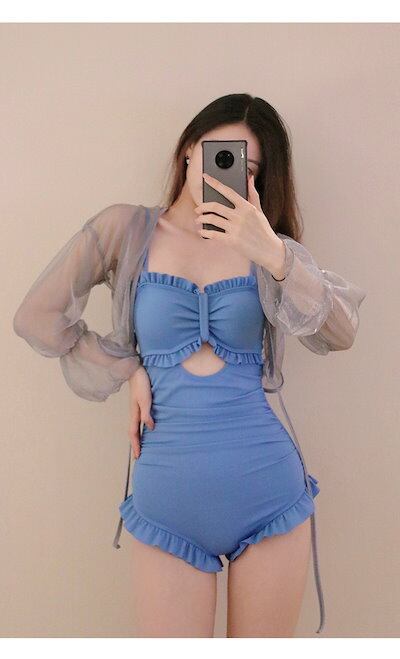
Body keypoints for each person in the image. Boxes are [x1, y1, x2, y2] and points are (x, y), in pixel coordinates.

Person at [13, 93, 367, 638]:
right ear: (187, 148)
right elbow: (36, 317)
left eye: (247, 167)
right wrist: (129, 369)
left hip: (267, 486)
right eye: (217, 152)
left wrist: (273, 253)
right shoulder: (126, 229)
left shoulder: (268, 248)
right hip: (167, 496)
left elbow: (340, 332)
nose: (225, 171)